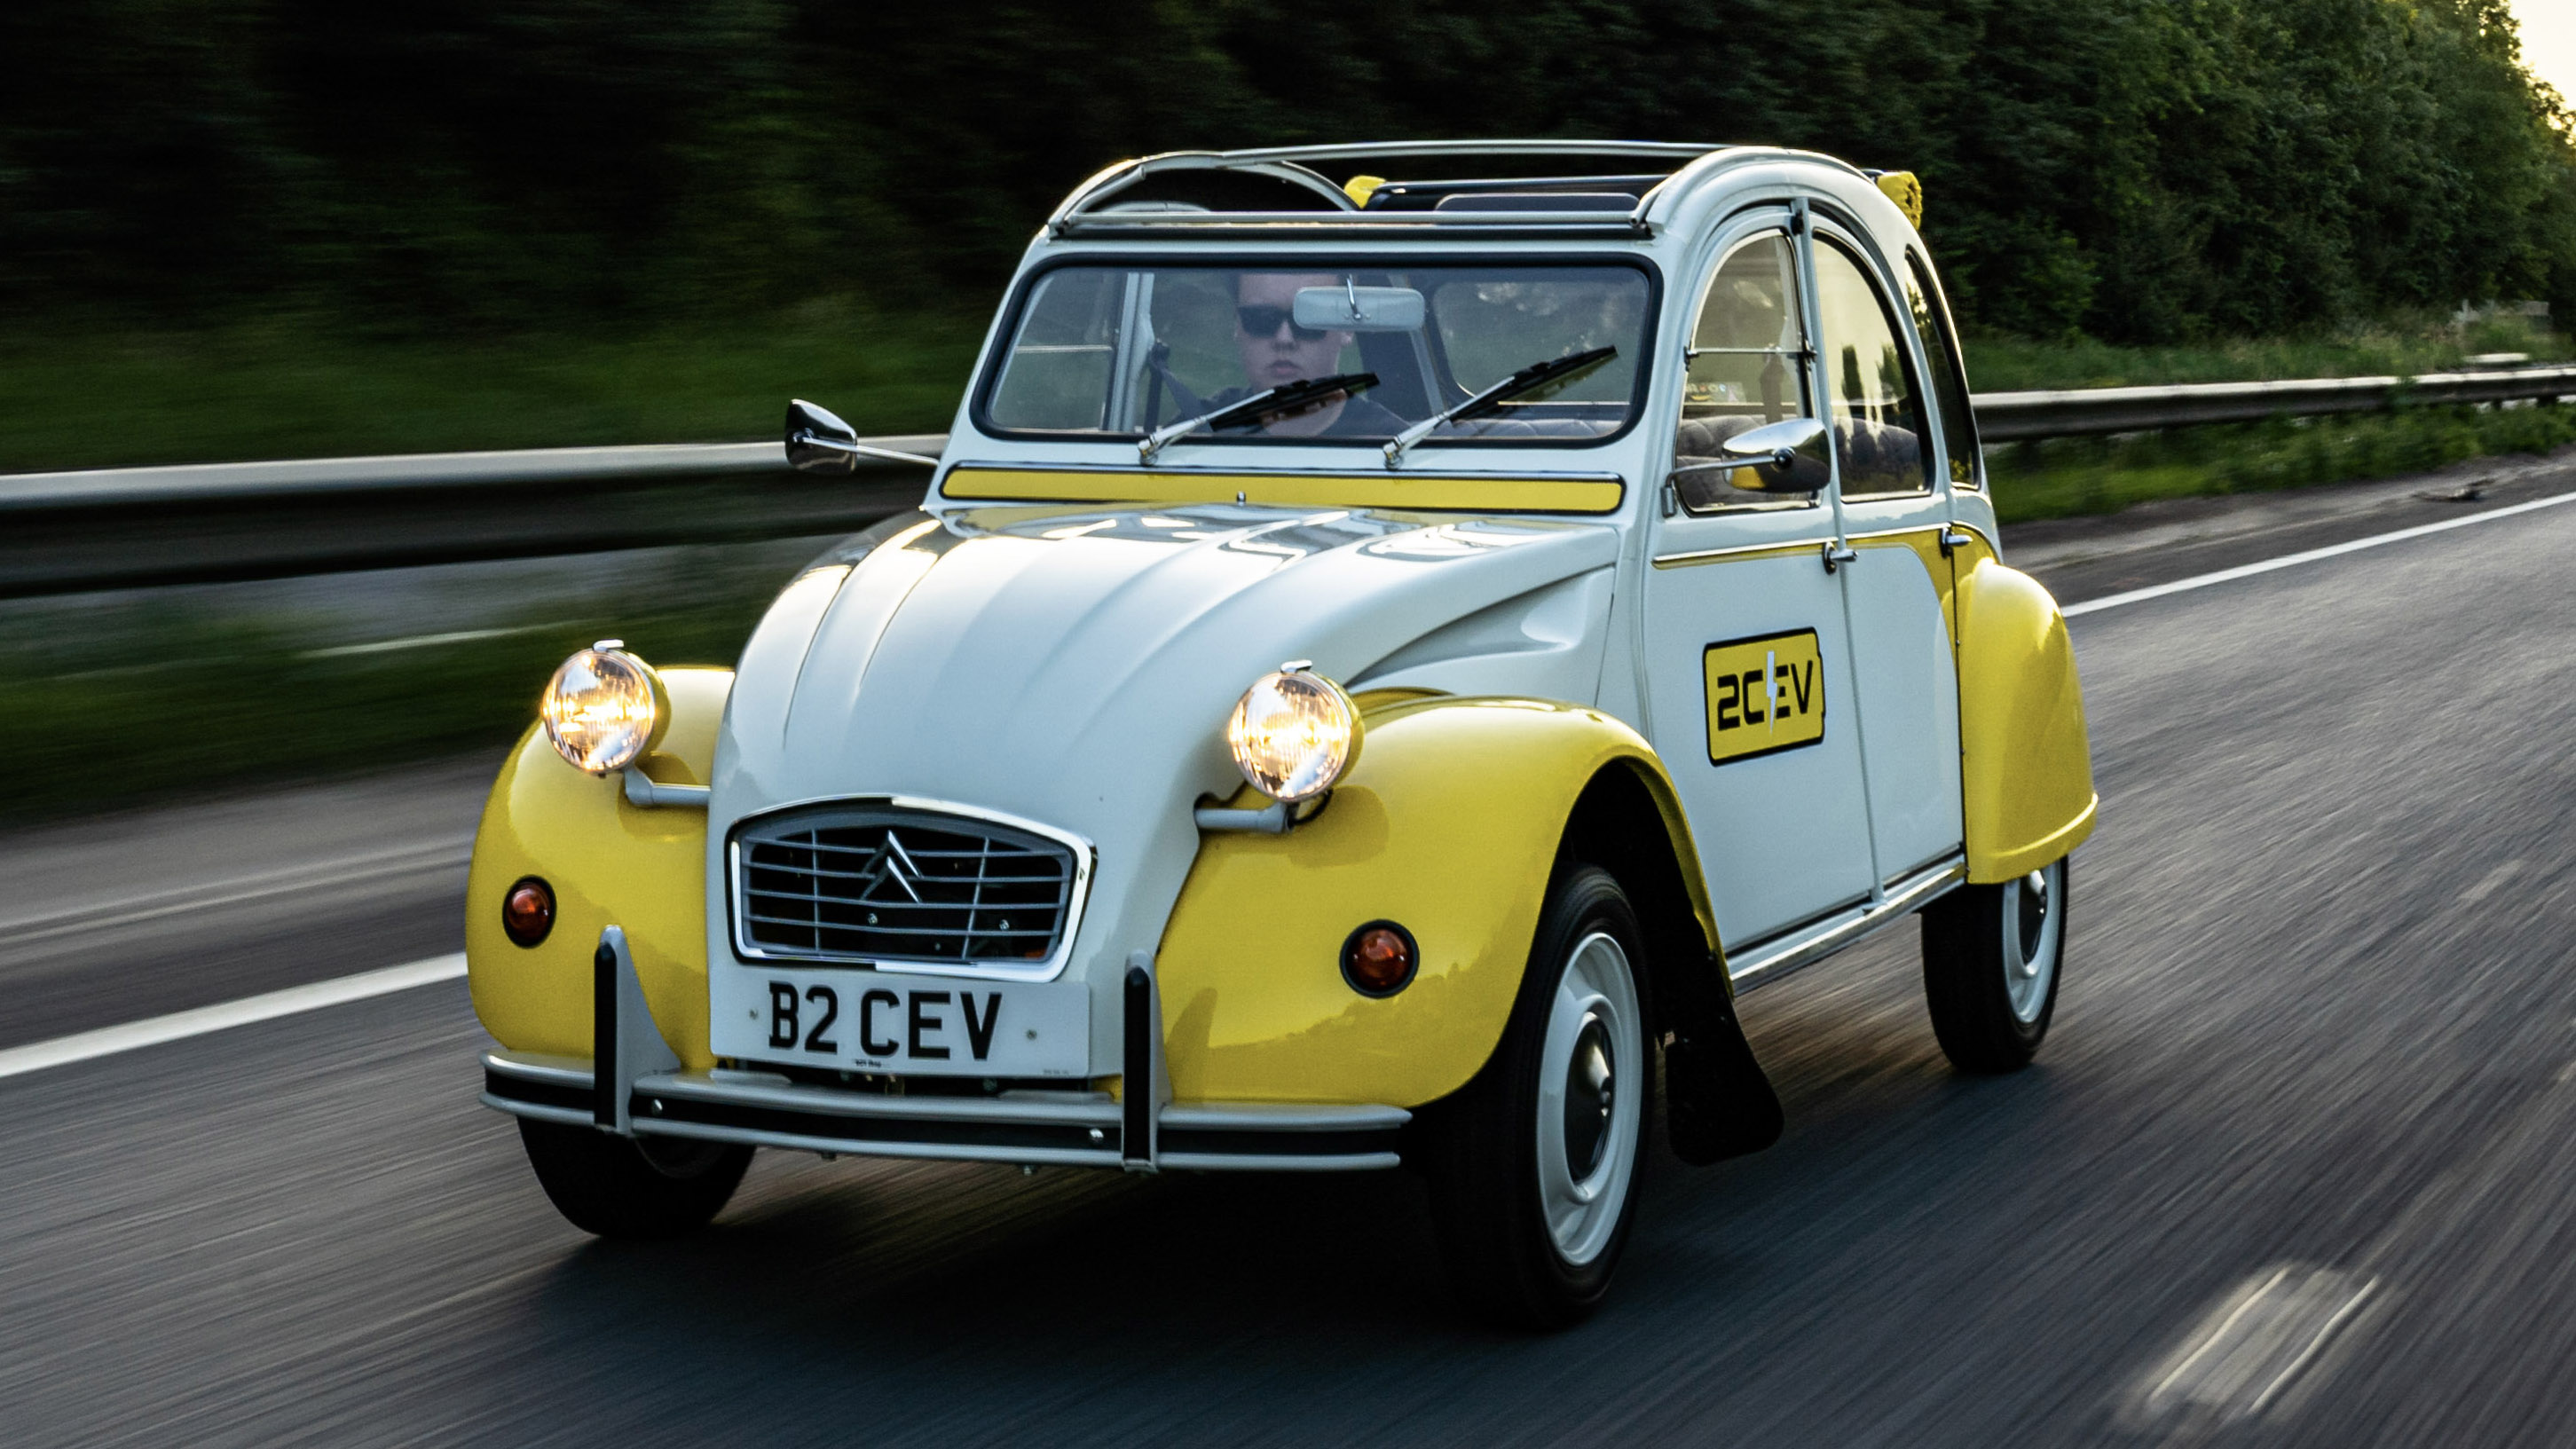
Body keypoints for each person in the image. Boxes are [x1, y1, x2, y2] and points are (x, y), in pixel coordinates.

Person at [1216, 272, 1408, 437]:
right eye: (1261, 319)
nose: (1284, 339)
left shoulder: (1399, 452)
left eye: (1308, 321)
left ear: (1347, 328)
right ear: (1236, 323)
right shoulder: (1193, 437)